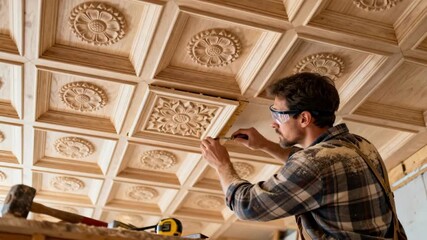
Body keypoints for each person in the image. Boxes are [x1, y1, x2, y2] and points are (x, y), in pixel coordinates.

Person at [200, 72, 406, 239]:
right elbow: (316, 170)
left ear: (304, 118)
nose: (273, 123)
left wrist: (222, 165)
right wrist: (265, 145)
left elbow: (247, 206)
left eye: (278, 115)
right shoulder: (358, 144)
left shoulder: (314, 165)